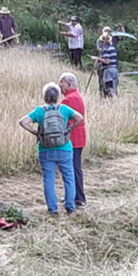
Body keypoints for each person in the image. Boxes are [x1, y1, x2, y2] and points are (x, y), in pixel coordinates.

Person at [18, 83, 84, 215]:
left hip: (45, 149)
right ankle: (70, 207)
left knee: (48, 179)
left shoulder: (39, 111)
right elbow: (79, 118)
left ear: (44, 97)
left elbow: (23, 121)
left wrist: (36, 133)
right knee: (69, 178)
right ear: (58, 96)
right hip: (64, 148)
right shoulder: (64, 109)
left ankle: (53, 209)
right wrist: (68, 130)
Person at [59, 72, 86, 207]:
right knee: (75, 168)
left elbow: (63, 120)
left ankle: (77, 198)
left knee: (72, 169)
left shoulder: (67, 100)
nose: (60, 86)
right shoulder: (77, 96)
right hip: (80, 136)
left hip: (72, 138)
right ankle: (77, 197)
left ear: (68, 84)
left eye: (61, 82)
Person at [89, 31, 118, 98]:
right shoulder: (112, 48)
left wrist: (97, 58)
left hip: (108, 70)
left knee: (109, 88)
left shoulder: (106, 49)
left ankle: (111, 101)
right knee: (113, 88)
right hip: (114, 70)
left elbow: (107, 61)